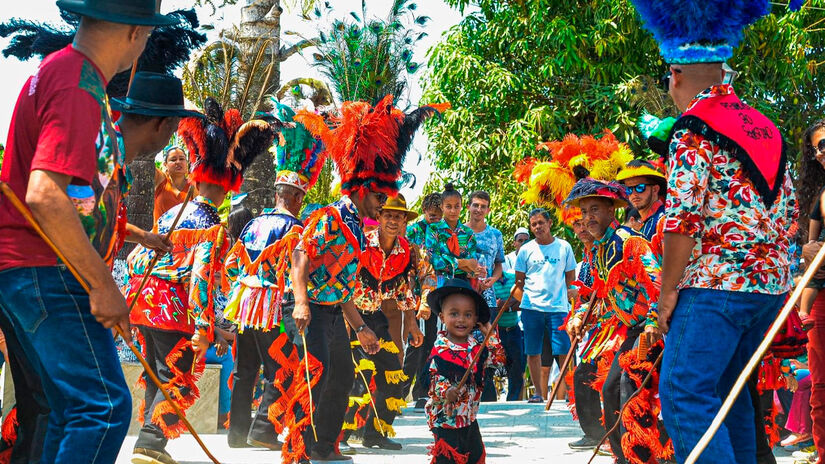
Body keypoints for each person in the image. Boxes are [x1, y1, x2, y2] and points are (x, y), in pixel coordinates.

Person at [0, 2, 176, 463]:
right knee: (103, 408)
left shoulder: (67, 74)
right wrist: (103, 285)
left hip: (36, 266)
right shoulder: (76, 84)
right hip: (45, 266)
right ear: (136, 35)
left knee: (67, 410)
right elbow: (44, 195)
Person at [628, 0, 800, 459]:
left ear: (676, 75)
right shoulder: (768, 126)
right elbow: (789, 212)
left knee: (684, 393)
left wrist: (666, 294)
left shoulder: (693, 128)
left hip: (714, 288)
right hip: (768, 290)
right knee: (727, 394)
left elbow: (683, 219)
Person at [288, 95, 445, 463]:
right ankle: (299, 450)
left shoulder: (360, 228)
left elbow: (343, 287)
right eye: (379, 197)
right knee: (315, 378)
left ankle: (326, 445)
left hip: (335, 314)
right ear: (362, 190)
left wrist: (360, 328)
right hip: (306, 310)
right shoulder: (330, 217)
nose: (382, 205)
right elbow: (300, 255)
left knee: (341, 376)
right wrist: (299, 302)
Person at [126, 97, 276, 464]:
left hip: (143, 303)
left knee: (159, 374)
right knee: (176, 376)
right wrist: (203, 327)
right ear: (229, 187)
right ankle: (150, 439)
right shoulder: (212, 226)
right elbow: (201, 279)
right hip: (174, 310)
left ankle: (150, 444)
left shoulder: (174, 212)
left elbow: (135, 259)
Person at [222, 99, 326, 450]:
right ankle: (264, 428)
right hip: (271, 307)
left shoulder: (253, 222)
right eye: (301, 195)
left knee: (245, 369)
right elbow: (296, 267)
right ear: (295, 196)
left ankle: (237, 433)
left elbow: (234, 265)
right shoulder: (295, 228)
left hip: (244, 305)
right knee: (282, 366)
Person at [565, 178, 662, 464]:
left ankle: (640, 457)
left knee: (630, 393)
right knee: (610, 390)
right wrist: (580, 316)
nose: (588, 218)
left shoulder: (630, 242)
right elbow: (597, 292)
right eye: (583, 212)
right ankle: (623, 456)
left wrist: (653, 322)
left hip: (650, 331)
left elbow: (656, 281)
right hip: (628, 329)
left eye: (594, 210)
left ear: (612, 211)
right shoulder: (597, 250)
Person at [342, 194, 424, 451]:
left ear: (403, 221)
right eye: (388, 215)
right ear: (378, 217)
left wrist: (411, 324)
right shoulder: (362, 243)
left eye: (398, 216)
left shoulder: (406, 251)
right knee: (358, 377)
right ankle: (340, 436)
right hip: (351, 317)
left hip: (375, 317)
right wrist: (354, 324)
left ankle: (375, 433)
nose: (393, 220)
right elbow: (344, 283)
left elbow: (403, 291)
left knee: (393, 374)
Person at [425, 278, 505, 464]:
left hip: (469, 418)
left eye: (468, 315)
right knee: (449, 458)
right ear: (442, 317)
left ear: (476, 319)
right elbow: (432, 380)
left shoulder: (477, 347)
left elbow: (499, 363)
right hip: (446, 419)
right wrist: (447, 391)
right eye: (454, 314)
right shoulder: (440, 349)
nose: (461, 319)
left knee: (475, 456)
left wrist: (490, 336)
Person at [509, 208, 576, 403]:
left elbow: (569, 279)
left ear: (549, 224)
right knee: (533, 351)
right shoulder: (526, 250)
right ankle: (539, 393)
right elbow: (519, 282)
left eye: (541, 223)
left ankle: (570, 393)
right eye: (534, 224)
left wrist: (563, 298)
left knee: (564, 351)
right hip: (532, 309)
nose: (538, 227)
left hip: (558, 309)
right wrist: (528, 302)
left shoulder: (564, 247)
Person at [565, 212, 606, 450]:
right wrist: (577, 318)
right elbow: (584, 294)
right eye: (575, 225)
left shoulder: (608, 248)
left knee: (611, 383)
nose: (580, 229)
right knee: (584, 375)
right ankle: (595, 433)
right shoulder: (587, 254)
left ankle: (612, 434)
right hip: (598, 326)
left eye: (582, 223)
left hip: (619, 323)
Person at [402, 193, 443, 410]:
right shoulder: (414, 230)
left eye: (439, 214)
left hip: (435, 294)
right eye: (432, 214)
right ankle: (401, 392)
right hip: (414, 294)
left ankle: (422, 392)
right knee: (414, 344)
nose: (435, 217)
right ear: (425, 210)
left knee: (430, 343)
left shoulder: (443, 231)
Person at [466, 190, 504, 402]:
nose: (479, 209)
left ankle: (487, 392)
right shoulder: (460, 232)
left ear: (488, 210)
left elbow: (499, 264)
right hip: (465, 295)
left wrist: (493, 279)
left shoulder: (495, 235)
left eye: (483, 206)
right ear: (469, 207)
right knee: (464, 338)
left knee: (487, 339)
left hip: (488, 296)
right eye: (475, 205)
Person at [492, 227, 529, 401]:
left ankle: (513, 400)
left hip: (513, 330)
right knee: (491, 368)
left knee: (517, 368)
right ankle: (489, 401)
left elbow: (522, 300)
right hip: (494, 331)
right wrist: (507, 302)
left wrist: (505, 306)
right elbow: (491, 304)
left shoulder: (512, 277)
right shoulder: (486, 283)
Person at [425, 184, 482, 285]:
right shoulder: (433, 229)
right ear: (442, 207)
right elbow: (434, 260)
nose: (453, 211)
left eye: (456, 206)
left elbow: (473, 264)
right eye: (448, 206)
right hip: (439, 283)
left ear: (461, 206)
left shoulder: (468, 233)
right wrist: (462, 263)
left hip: (463, 283)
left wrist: (448, 260)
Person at [616, 159, 667, 255]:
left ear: (655, 189)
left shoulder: (664, 221)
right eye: (629, 190)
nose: (634, 194)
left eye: (640, 187)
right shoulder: (643, 223)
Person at [154, 145, 197, 225]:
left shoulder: (194, 186)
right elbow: (147, 158)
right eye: (173, 160)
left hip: (184, 236)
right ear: (165, 165)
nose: (178, 162)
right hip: (160, 236)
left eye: (182, 159)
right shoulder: (161, 180)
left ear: (186, 163)